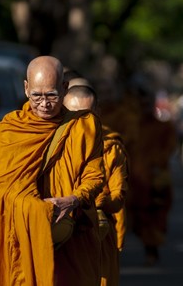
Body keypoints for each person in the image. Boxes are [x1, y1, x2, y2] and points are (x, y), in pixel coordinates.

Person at [0, 56, 105, 286]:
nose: (44, 103)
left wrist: (72, 200)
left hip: (73, 236)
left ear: (64, 88)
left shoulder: (85, 126)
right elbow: (0, 187)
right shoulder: (11, 128)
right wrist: (38, 212)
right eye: (36, 96)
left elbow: (95, 176)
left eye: (51, 95)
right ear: (25, 88)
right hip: (26, 237)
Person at [63, 83, 129, 286]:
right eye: (74, 116)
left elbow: (118, 198)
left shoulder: (110, 149)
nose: (81, 124)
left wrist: (94, 200)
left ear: (98, 112)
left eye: (87, 116)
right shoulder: (52, 146)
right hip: (63, 236)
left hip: (97, 237)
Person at [127, 83, 177, 266]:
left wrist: (157, 163)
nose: (144, 105)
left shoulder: (164, 127)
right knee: (137, 218)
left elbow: (170, 147)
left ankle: (152, 250)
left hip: (156, 178)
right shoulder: (130, 126)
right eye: (141, 102)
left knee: (155, 216)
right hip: (134, 180)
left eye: (148, 102)